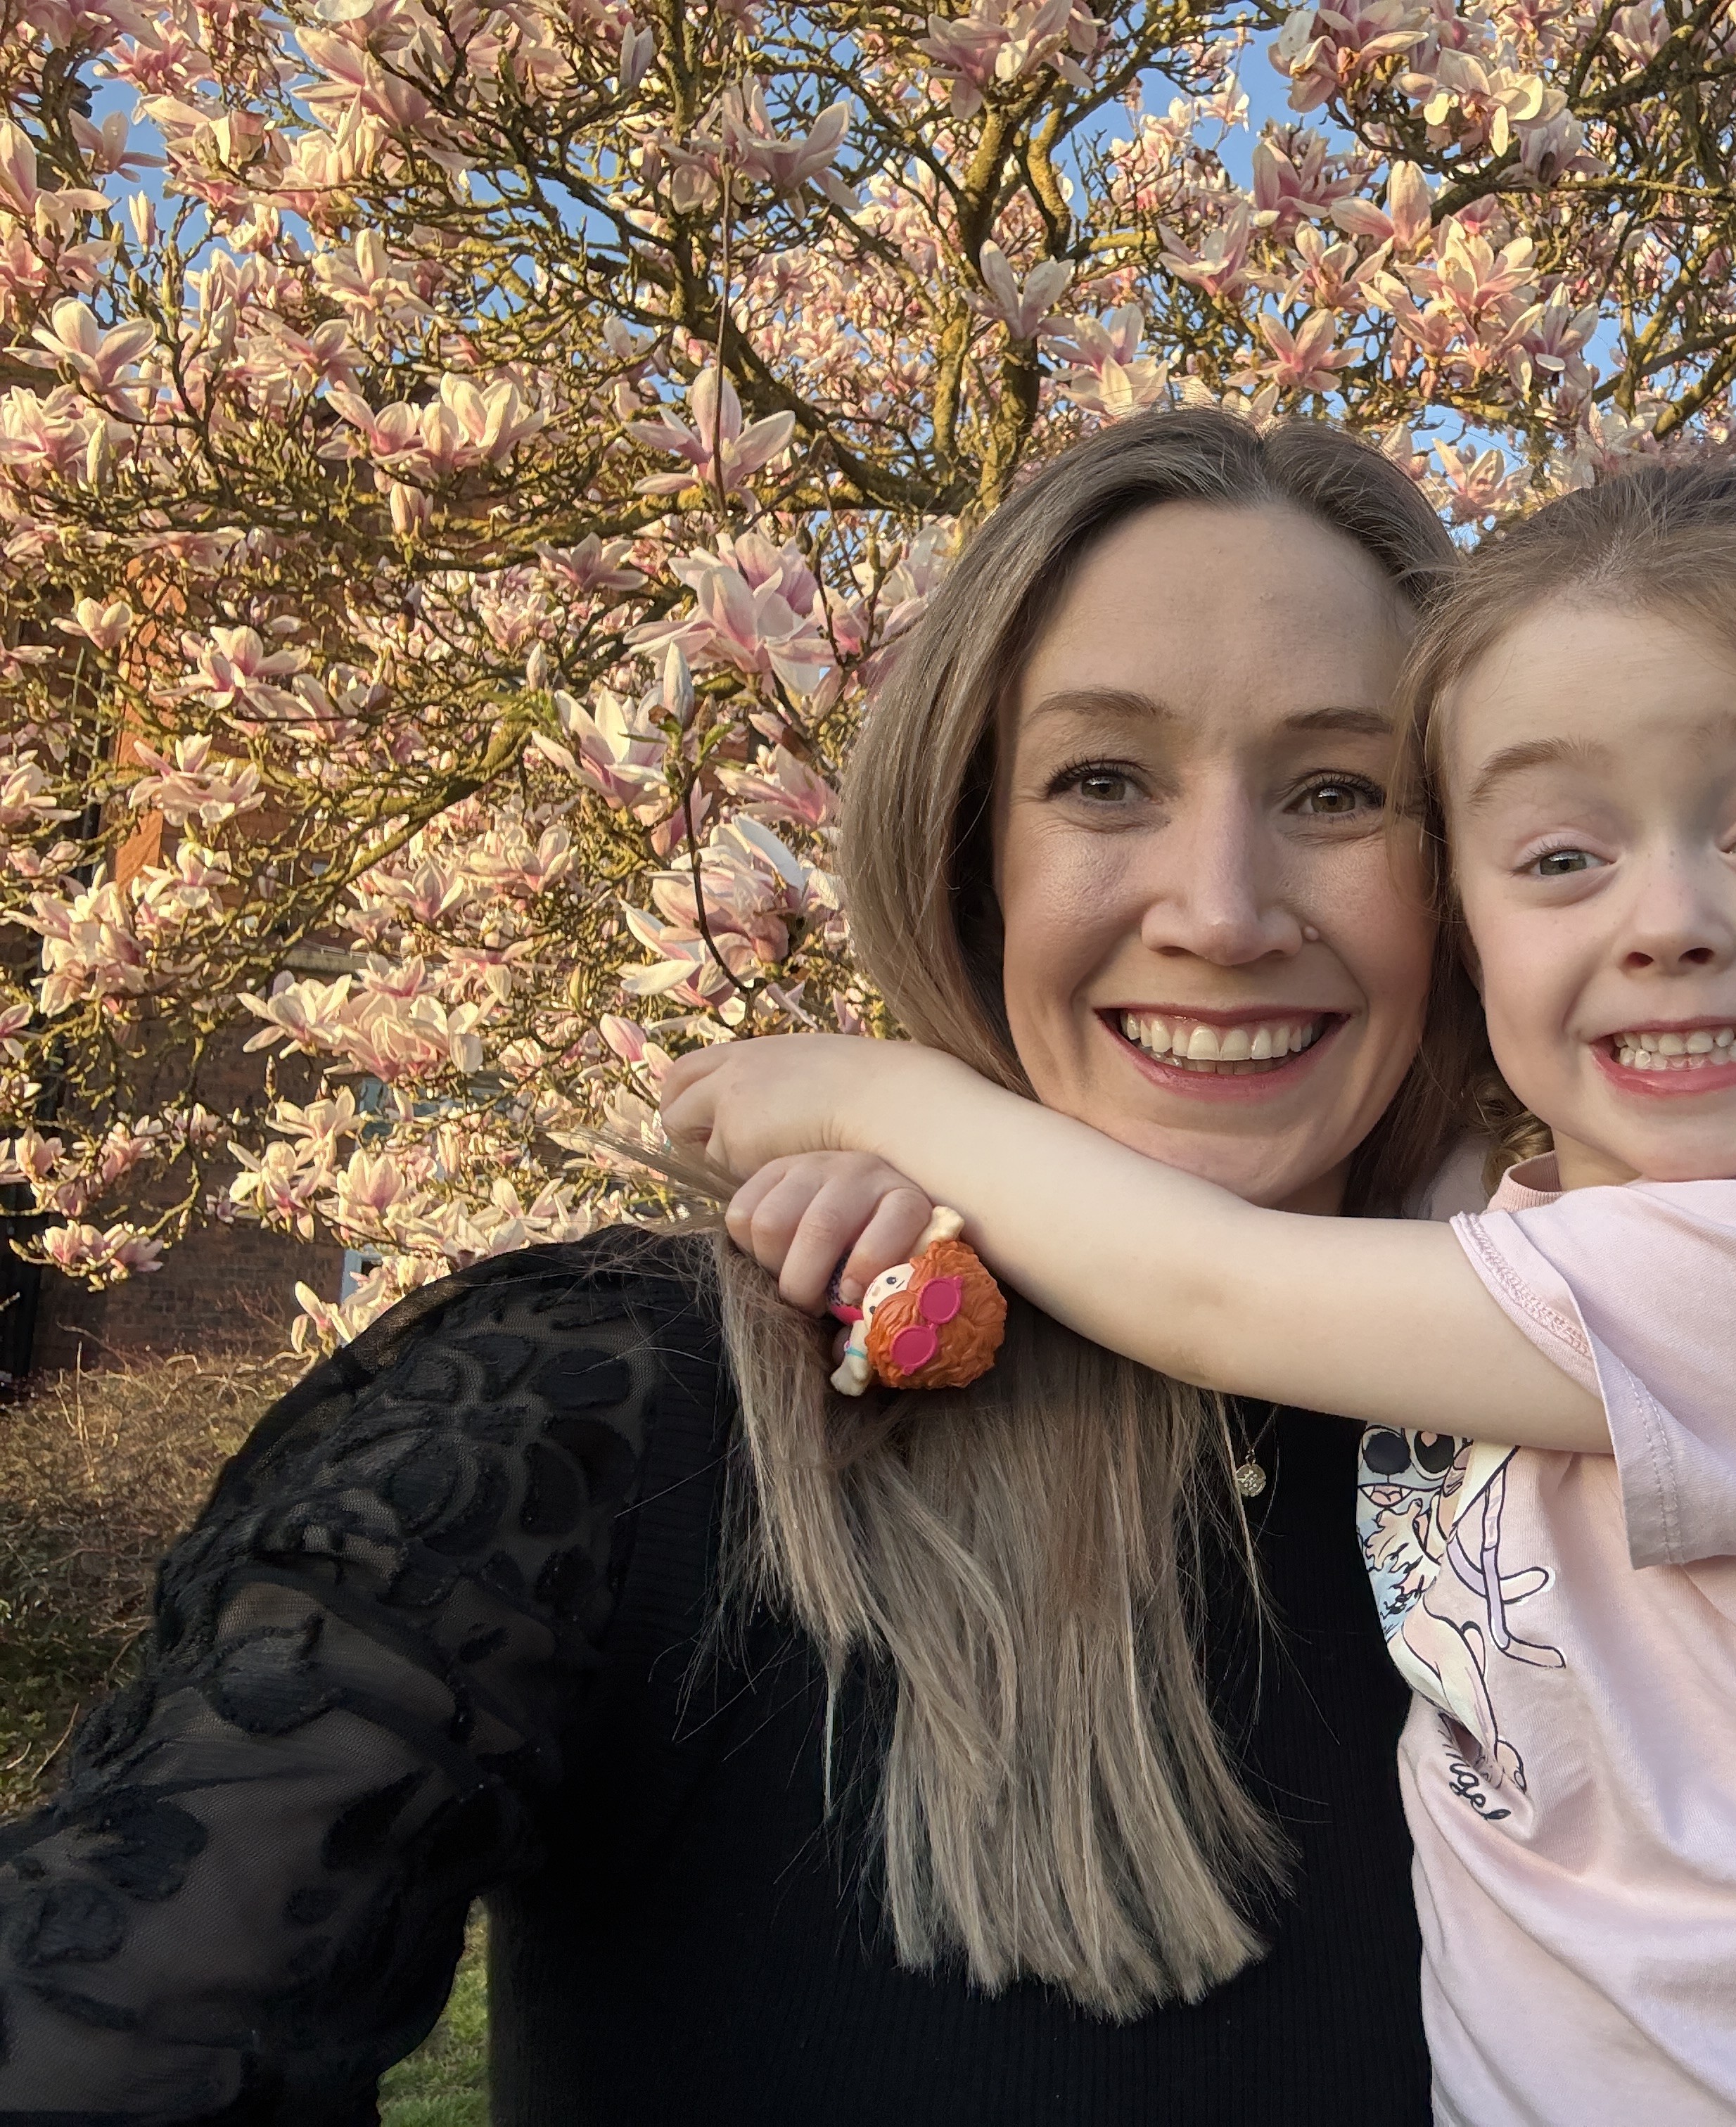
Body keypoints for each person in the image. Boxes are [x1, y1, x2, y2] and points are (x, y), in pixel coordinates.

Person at [0, 411, 1479, 2125]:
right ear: (966, 861)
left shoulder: (1587, 1419)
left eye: (1339, 792)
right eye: (1101, 781)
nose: (1223, 910)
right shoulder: (623, 1414)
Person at [665, 463, 1736, 2125]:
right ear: (1463, 913)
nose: (1670, 920)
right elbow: (1352, 1226)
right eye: (1558, 854)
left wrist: (875, 1099)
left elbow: (1214, 1286)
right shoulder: (1571, 1234)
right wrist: (956, 1208)